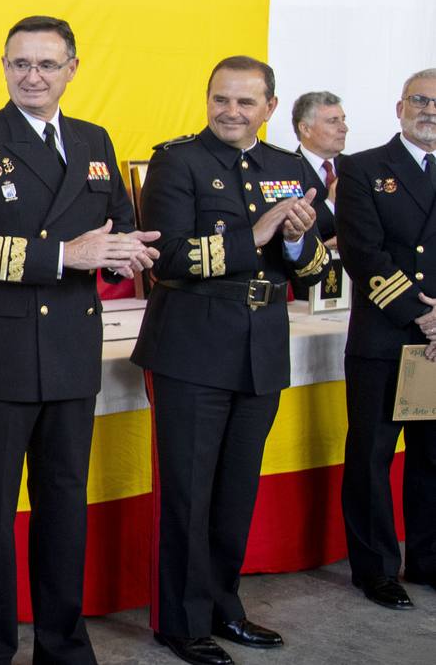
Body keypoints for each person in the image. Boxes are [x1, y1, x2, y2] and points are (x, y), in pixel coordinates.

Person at [0, 15, 160, 665]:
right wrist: (65, 254)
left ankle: (63, 646)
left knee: (64, 508)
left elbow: (116, 218)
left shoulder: (92, 139)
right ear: (2, 69)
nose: (32, 76)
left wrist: (124, 254)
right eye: (19, 64)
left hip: (69, 350)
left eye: (46, 64)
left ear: (70, 69)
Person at [132, 56, 328, 665]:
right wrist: (260, 234)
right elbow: (168, 260)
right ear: (207, 98)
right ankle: (180, 622)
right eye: (221, 99)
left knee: (236, 491)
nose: (231, 112)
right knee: (188, 494)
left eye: (246, 102)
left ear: (270, 107)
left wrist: (295, 238)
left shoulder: (288, 167)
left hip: (261, 347)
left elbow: (312, 265)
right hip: (192, 346)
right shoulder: (177, 161)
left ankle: (225, 606)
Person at [335, 68, 436, 610]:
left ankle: (429, 557)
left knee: (433, 455)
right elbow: (362, 251)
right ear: (400, 107)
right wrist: (421, 315)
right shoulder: (362, 168)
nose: (431, 111)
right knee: (372, 456)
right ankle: (374, 569)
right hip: (385, 334)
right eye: (420, 100)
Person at [291, 90, 347, 242]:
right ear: (305, 129)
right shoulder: (285, 170)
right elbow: (285, 231)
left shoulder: (355, 167)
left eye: (343, 120)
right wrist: (331, 204)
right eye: (333, 121)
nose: (344, 128)